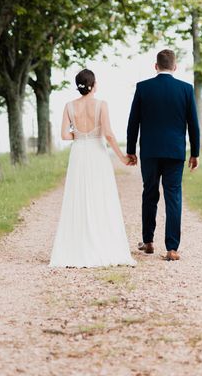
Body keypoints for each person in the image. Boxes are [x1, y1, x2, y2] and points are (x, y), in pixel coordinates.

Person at [49, 69, 136, 268]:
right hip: (97, 153)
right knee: (101, 197)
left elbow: (64, 135)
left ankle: (77, 247)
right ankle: (103, 244)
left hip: (79, 153)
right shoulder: (101, 105)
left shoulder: (69, 106)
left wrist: (80, 136)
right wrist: (122, 157)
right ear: (93, 84)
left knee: (78, 197)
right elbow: (109, 134)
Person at [126, 49, 200, 261]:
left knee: (149, 193)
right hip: (175, 152)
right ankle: (172, 248)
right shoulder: (186, 89)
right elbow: (193, 124)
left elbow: (133, 122)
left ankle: (148, 241)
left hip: (149, 151)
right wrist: (195, 152)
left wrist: (131, 150)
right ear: (175, 67)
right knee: (173, 196)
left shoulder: (143, 88)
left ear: (155, 66)